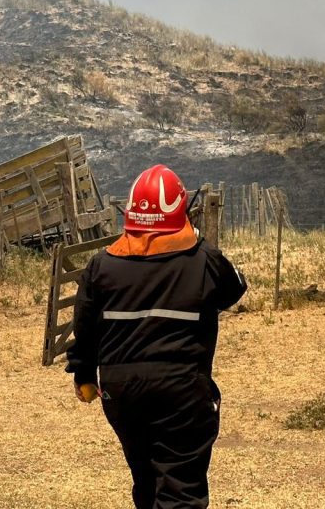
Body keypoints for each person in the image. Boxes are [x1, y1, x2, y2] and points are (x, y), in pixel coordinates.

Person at [66, 164, 247, 509]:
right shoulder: (203, 259)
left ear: (130, 212)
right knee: (181, 489)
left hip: (120, 393)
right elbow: (234, 288)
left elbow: (84, 327)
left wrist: (84, 375)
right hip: (182, 389)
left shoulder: (101, 265)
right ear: (180, 210)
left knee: (146, 482)